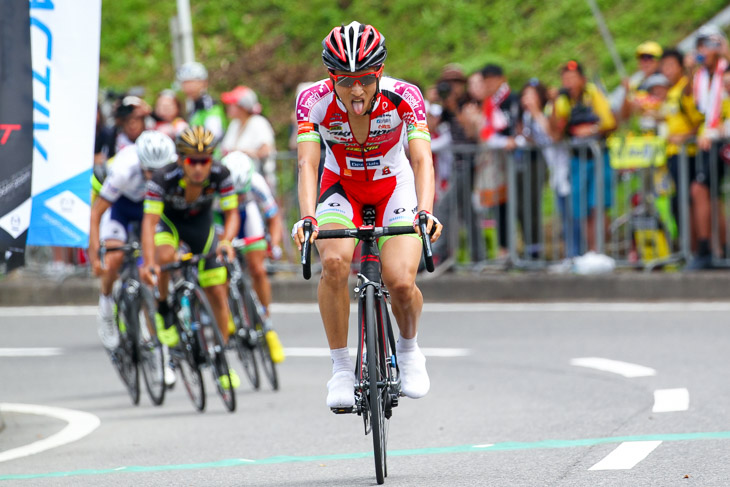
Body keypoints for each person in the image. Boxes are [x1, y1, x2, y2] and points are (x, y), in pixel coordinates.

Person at [292, 22, 443, 408]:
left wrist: (425, 211)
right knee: (336, 264)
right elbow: (307, 164)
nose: (355, 90)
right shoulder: (313, 100)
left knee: (401, 282)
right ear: (331, 77)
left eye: (364, 79)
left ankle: (409, 351)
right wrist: (308, 217)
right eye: (345, 80)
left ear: (378, 73)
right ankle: (342, 368)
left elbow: (422, 158)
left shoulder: (405, 96)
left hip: (394, 186)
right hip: (340, 188)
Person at [140, 126, 241, 389]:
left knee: (218, 292)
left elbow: (232, 214)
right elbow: (149, 222)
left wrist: (227, 242)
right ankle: (164, 309)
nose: (199, 168)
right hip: (168, 224)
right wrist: (149, 262)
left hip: (201, 226)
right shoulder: (163, 178)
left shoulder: (221, 173)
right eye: (192, 161)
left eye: (204, 161)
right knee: (164, 258)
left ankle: (221, 361)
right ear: (180, 160)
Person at [88, 130, 177, 353]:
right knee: (115, 257)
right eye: (149, 171)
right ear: (141, 162)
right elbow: (97, 213)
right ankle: (107, 305)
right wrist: (94, 252)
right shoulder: (123, 169)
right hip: (121, 206)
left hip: (151, 207)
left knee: (161, 257)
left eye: (159, 172)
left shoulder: (175, 167)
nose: (153, 176)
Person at [221, 151, 285, 363]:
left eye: (242, 192)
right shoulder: (216, 184)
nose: (239, 196)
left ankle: (265, 320)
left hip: (249, 217)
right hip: (222, 217)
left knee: (258, 269)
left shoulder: (256, 182)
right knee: (219, 266)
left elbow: (273, 218)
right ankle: (227, 313)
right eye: (235, 193)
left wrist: (273, 245)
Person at [552, 61, 616, 255]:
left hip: (598, 157)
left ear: (582, 79)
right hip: (577, 160)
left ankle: (601, 250)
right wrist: (554, 104)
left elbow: (610, 123)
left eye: (573, 78)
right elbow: (556, 134)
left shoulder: (593, 94)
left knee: (598, 206)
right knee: (583, 210)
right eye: (565, 79)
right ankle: (591, 252)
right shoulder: (563, 100)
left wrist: (592, 129)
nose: (569, 82)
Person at [687, 25, 730, 268]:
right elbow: (699, 110)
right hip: (712, 139)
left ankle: (707, 249)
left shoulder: (725, 70)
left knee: (701, 191)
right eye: (701, 45)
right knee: (708, 195)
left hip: (720, 139)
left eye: (709, 44)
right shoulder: (701, 76)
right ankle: (719, 248)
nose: (703, 50)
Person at [219, 85, 277, 190]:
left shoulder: (258, 122)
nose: (228, 107)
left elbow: (266, 150)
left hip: (256, 180)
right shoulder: (234, 124)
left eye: (232, 105)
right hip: (236, 181)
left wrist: (240, 153)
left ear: (243, 107)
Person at [177, 62, 226, 142]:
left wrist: (184, 132)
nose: (188, 87)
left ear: (203, 83)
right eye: (184, 83)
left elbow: (213, 135)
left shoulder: (209, 105)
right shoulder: (194, 105)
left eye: (191, 82)